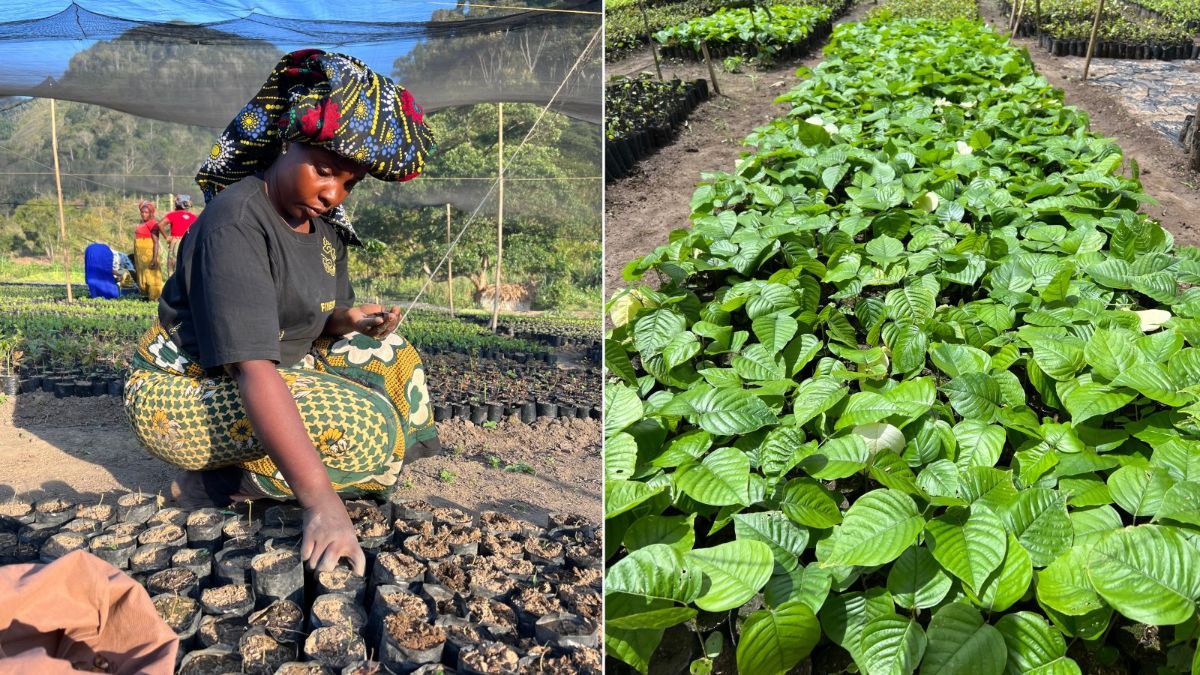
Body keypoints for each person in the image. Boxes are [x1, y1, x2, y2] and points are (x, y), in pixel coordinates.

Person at [123, 49, 438, 576]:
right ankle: (219, 483)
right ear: (286, 142)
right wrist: (323, 506)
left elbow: (317, 318)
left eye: (349, 183)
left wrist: (351, 321)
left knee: (394, 354)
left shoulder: (325, 229)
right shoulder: (235, 226)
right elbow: (251, 368)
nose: (333, 193)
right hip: (184, 390)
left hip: (275, 367)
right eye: (324, 170)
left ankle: (313, 468)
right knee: (365, 429)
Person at [158, 195, 196, 276]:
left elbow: (160, 225)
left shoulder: (173, 215)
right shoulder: (193, 217)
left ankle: (173, 286)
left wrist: (167, 237)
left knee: (172, 267)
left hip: (175, 242)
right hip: (188, 243)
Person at [133, 200, 163, 300]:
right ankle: (145, 295)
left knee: (152, 275)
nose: (143, 214)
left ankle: (155, 297)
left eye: (146, 212)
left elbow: (156, 242)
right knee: (143, 274)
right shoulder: (143, 224)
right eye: (142, 212)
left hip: (149, 255)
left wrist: (154, 259)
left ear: (151, 213)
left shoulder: (153, 224)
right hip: (141, 257)